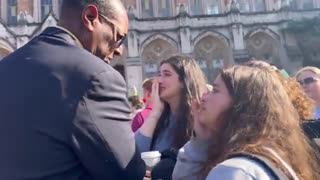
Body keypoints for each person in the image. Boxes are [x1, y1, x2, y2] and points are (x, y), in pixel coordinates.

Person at [0, 0, 146, 179]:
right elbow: (128, 173)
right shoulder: (96, 76)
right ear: (90, 18)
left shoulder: (5, 67)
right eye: (119, 37)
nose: (120, 51)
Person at [173, 65, 320, 180]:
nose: (203, 97)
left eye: (215, 90)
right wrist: (200, 142)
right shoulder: (271, 155)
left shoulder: (234, 171)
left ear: (241, 105)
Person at [136, 55, 207, 180]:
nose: (159, 80)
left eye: (167, 75)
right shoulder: (161, 119)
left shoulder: (199, 119)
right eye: (159, 74)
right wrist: (155, 112)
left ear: (184, 81)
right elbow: (134, 153)